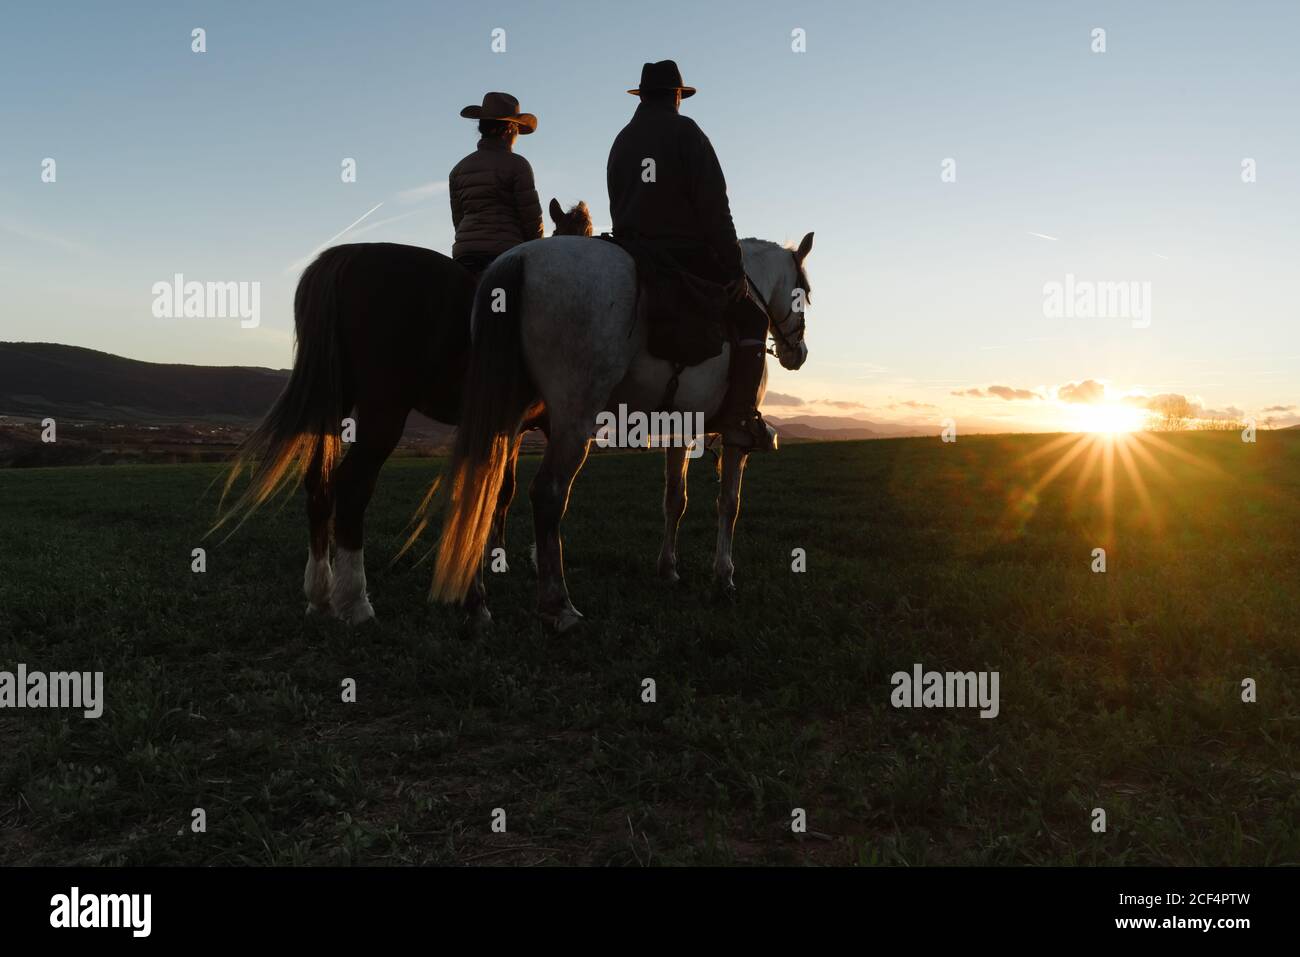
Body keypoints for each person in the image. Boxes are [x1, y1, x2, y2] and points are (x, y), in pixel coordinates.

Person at [606, 60, 774, 452]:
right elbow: (715, 207)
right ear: (678, 96)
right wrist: (733, 268)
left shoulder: (622, 139)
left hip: (631, 250)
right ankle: (740, 418)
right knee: (753, 316)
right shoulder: (687, 133)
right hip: (681, 254)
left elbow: (617, 203)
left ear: (643, 96)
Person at [449, 92, 544, 278]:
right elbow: (531, 218)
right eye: (516, 129)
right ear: (509, 129)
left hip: (464, 254)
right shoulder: (518, 165)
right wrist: (537, 249)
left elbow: (458, 220)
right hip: (504, 254)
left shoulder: (458, 169)